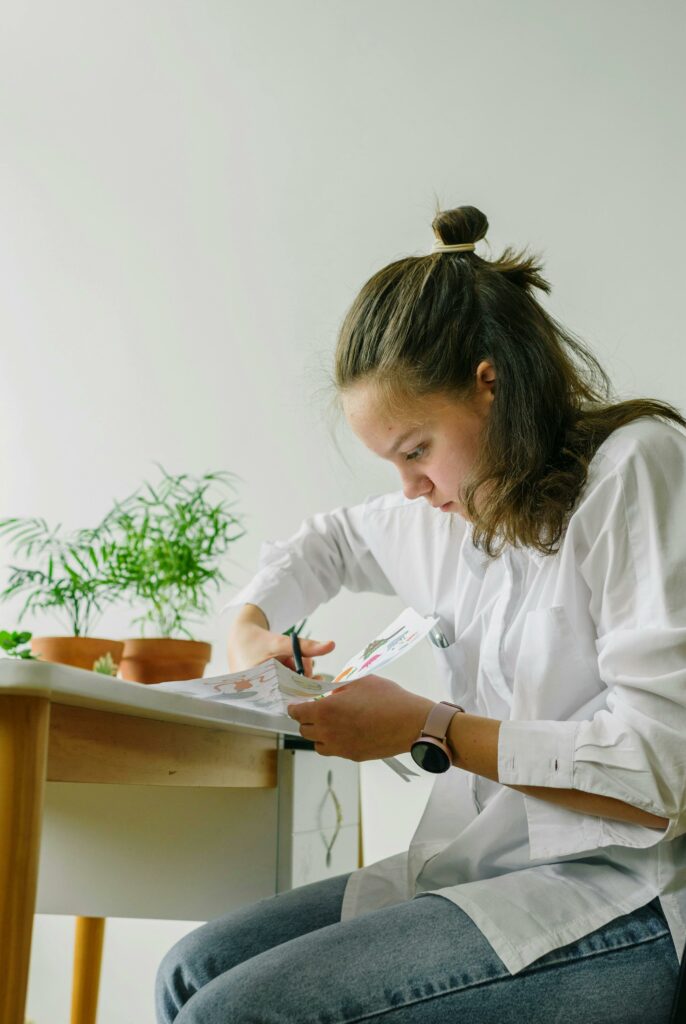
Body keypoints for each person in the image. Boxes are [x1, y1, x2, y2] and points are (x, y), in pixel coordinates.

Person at [155, 205, 686, 1023]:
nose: (409, 488)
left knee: (235, 1013)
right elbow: (326, 542)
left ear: (491, 385)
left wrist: (427, 727)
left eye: (415, 451)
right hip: (491, 875)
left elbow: (660, 777)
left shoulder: (634, 470)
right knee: (192, 972)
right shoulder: (459, 516)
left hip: (627, 895)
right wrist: (252, 625)